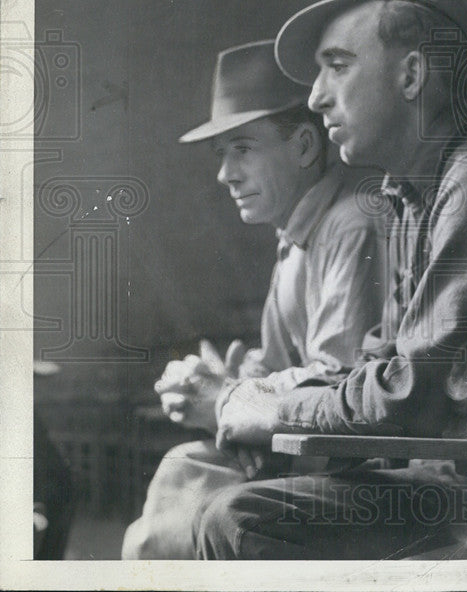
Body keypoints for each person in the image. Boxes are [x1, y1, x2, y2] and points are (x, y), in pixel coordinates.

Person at [194, 0, 467, 560]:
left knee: (240, 518)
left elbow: (409, 394)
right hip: (451, 477)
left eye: (337, 67)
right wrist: (259, 401)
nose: (317, 98)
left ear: (412, 74)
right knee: (241, 502)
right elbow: (378, 360)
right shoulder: (408, 192)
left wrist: (272, 409)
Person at [122, 40, 385, 559]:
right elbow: (287, 366)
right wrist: (214, 382)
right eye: (222, 155)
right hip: (304, 453)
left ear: (307, 146)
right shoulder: (296, 238)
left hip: (357, 471)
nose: (226, 174)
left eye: (242, 148)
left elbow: (342, 386)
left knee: (170, 517)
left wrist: (226, 397)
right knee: (178, 479)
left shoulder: (351, 226)